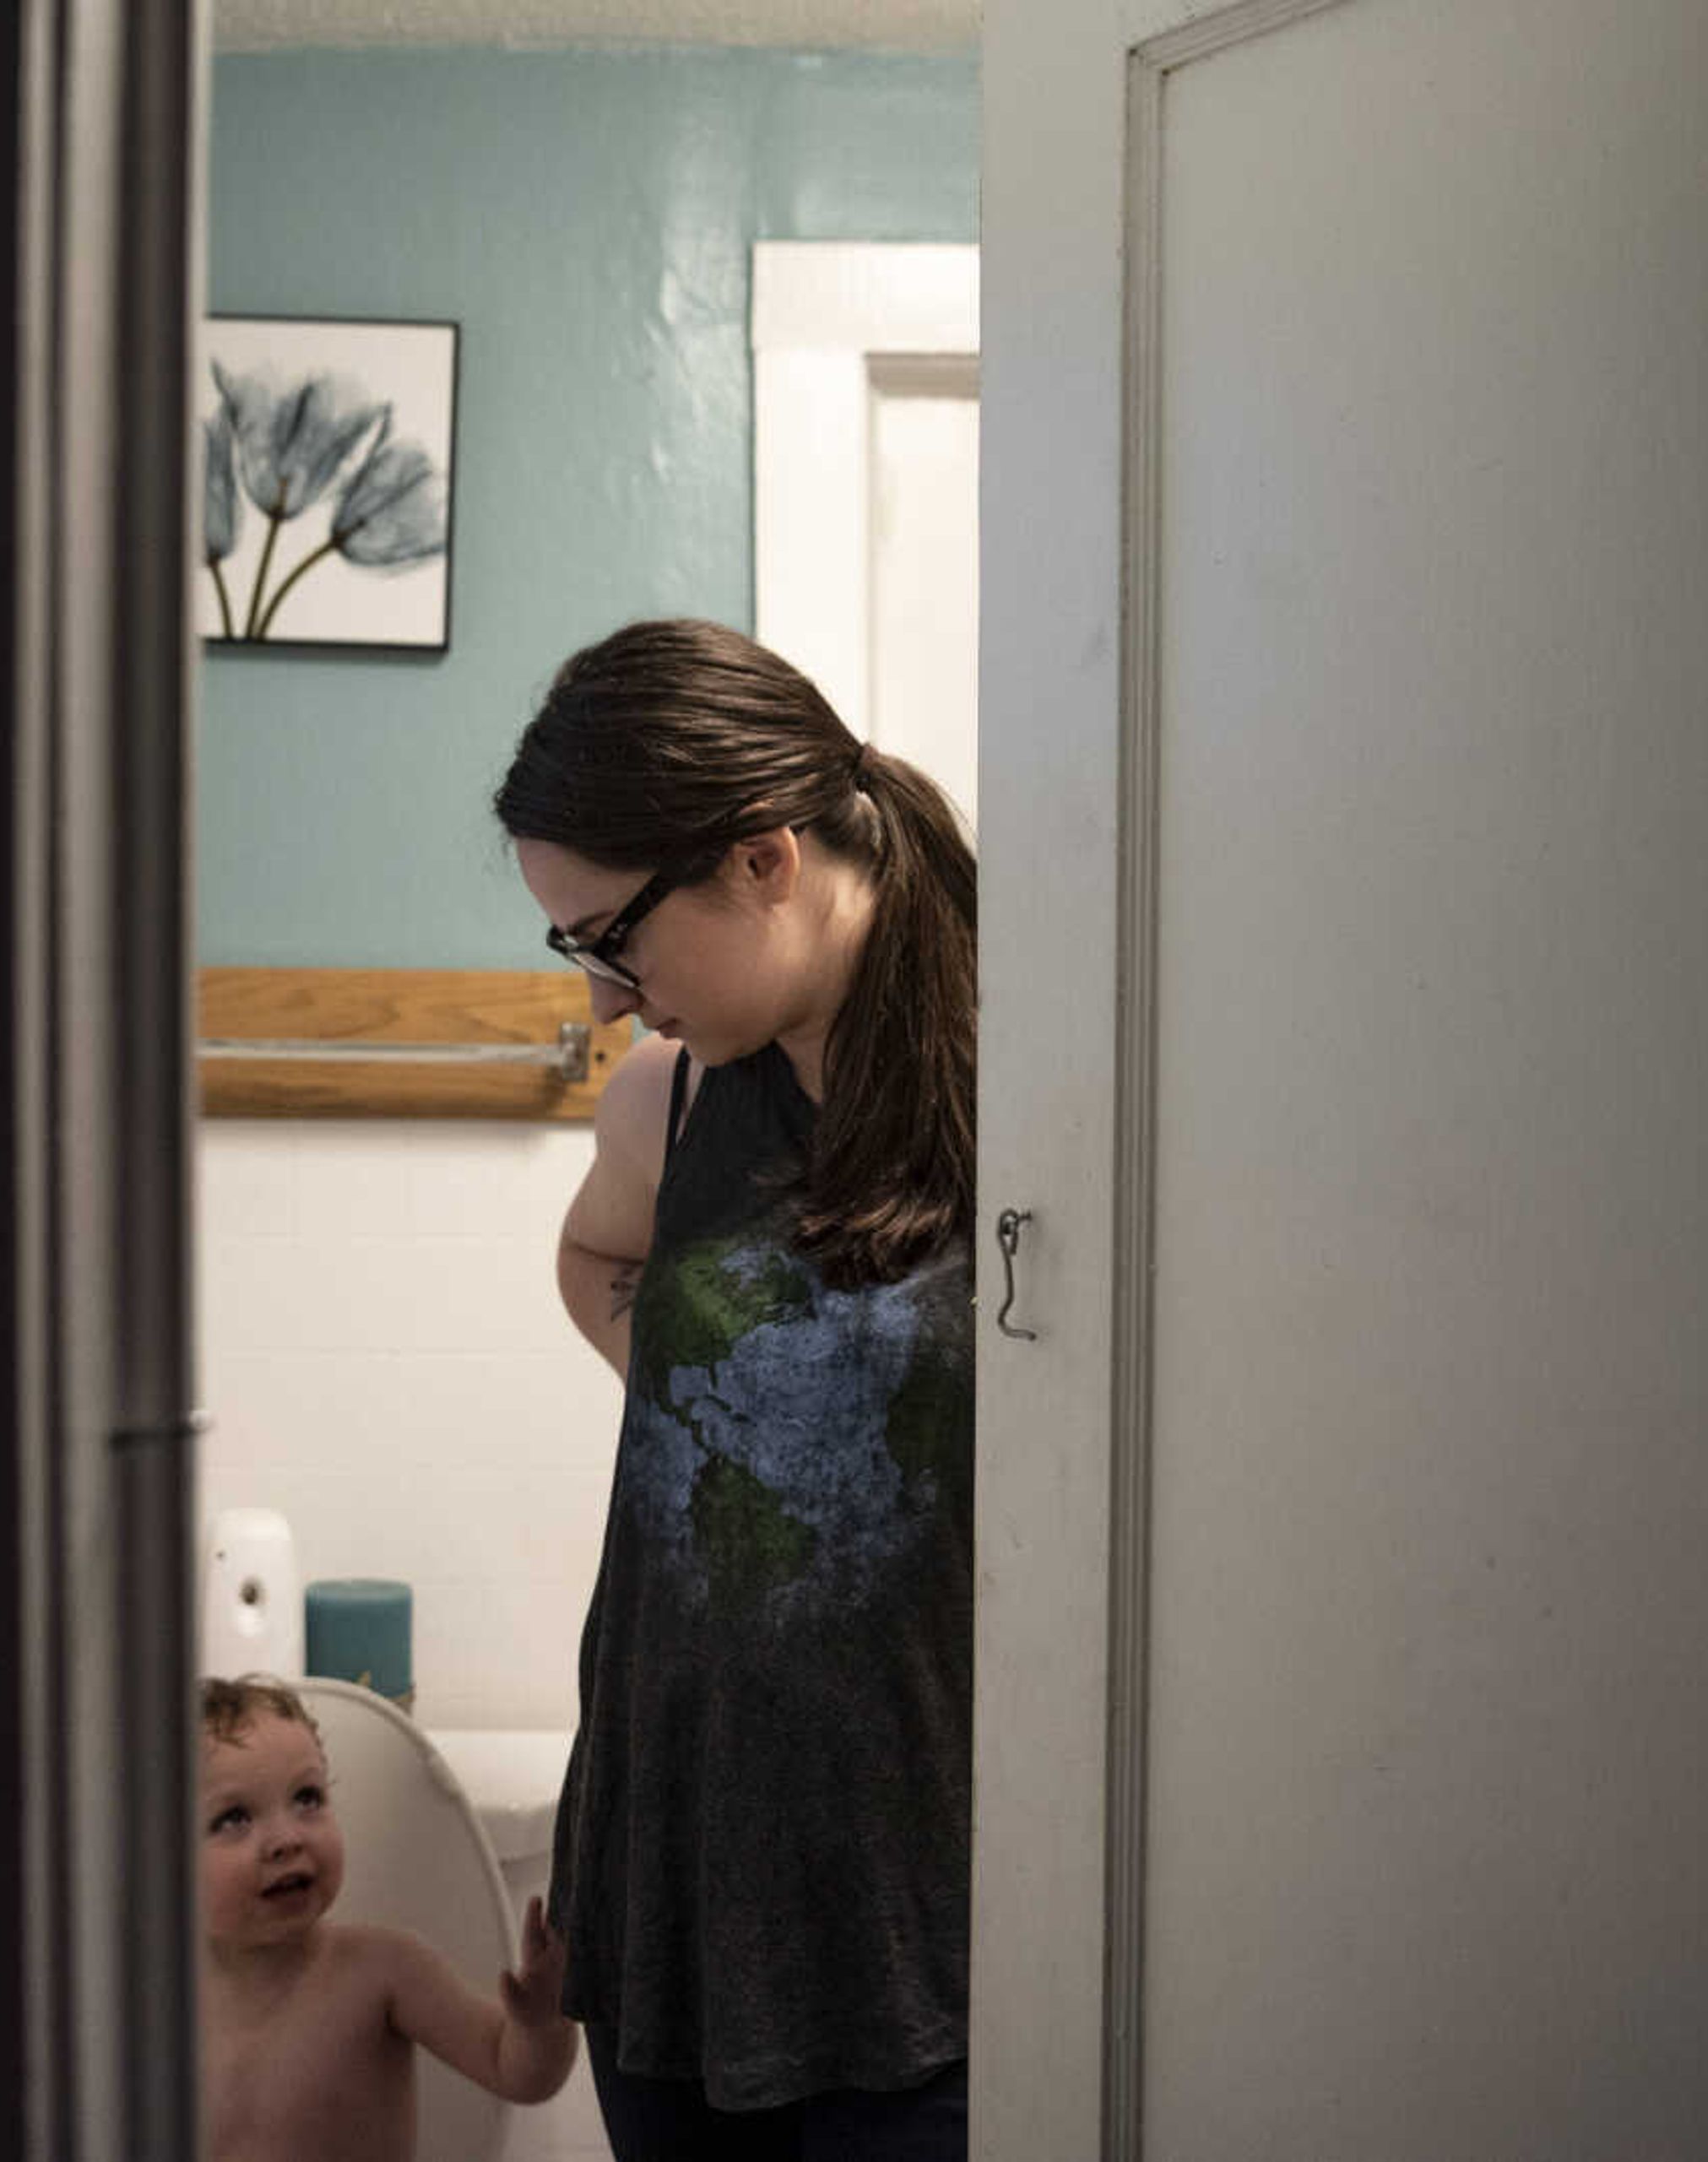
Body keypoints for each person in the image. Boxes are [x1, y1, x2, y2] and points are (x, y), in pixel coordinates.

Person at [493, 619, 976, 2159]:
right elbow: (595, 1260)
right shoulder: (672, 1096)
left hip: (917, 1919)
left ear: (762, 860)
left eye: (613, 938)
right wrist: (740, 1416)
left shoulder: (1057, 1096)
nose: (609, 1000)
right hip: (667, 1892)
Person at [198, 1675, 578, 2162]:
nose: (286, 1838)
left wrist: (543, 2024)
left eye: (307, 1798)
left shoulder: (383, 1970)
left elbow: (516, 2073)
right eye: (234, 1818)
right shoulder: (155, 2010)